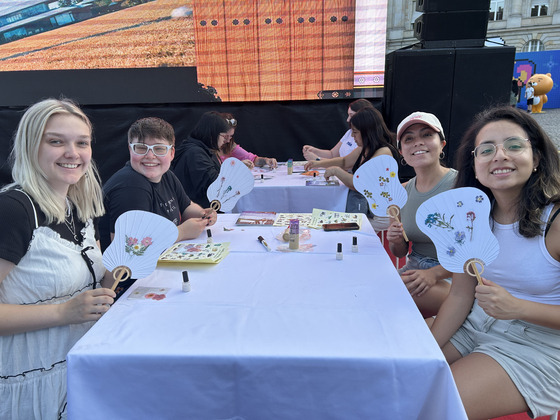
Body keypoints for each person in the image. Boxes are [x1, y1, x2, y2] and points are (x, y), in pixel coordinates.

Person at [431, 106, 560, 419]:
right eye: (486, 149)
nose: (500, 155)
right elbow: (461, 295)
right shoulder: (470, 220)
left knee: (434, 406)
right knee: (398, 368)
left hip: (540, 346)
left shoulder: (555, 221)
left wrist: (518, 308)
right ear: (475, 166)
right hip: (475, 323)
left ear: (537, 158)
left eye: (514, 146)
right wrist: (426, 352)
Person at [0, 98, 116, 419]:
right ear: (30, 145)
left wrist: (121, 267)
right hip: (29, 381)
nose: (72, 153)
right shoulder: (13, 210)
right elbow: (68, 308)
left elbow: (92, 284)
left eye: (82, 143)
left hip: (76, 371)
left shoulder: (76, 206)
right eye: (56, 141)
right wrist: (63, 312)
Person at [100, 117, 217, 298]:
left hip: (158, 268)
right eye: (141, 148)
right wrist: (182, 232)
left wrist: (203, 213)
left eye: (159, 149)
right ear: (130, 150)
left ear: (171, 153)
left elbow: (186, 206)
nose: (150, 156)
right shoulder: (131, 187)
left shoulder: (166, 175)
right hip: (129, 287)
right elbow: (130, 253)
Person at [386, 111, 456, 318]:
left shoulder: (461, 186)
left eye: (427, 135)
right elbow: (399, 252)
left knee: (387, 297)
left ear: (442, 144)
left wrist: (434, 273)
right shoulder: (399, 193)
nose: (418, 143)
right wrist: (395, 239)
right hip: (414, 269)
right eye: (409, 139)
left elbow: (478, 252)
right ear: (401, 151)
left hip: (455, 277)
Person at [305, 107, 397, 231]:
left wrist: (336, 171)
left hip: (380, 215)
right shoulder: (365, 147)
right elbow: (344, 161)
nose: (352, 136)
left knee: (332, 223)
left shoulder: (383, 153)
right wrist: (317, 163)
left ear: (367, 131)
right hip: (367, 207)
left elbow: (360, 184)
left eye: (355, 132)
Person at [172, 111, 229, 208]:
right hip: (198, 210)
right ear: (212, 134)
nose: (226, 140)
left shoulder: (200, 150)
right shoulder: (196, 154)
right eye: (224, 136)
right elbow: (215, 186)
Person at [302, 98, 374, 161]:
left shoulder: (368, 141)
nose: (348, 120)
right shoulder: (349, 132)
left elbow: (346, 164)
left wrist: (317, 159)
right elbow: (333, 154)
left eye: (351, 116)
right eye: (348, 115)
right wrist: (314, 151)